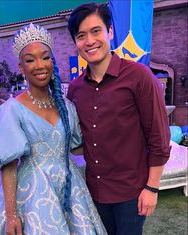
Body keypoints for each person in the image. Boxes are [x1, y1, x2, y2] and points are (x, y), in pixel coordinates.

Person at [0, 23, 107, 235]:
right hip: (34, 195)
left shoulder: (66, 106)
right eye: (30, 60)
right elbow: (9, 166)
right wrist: (11, 215)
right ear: (21, 67)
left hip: (71, 188)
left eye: (45, 57)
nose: (40, 65)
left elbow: (76, 147)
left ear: (52, 61)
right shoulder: (12, 111)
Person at [67, 3, 171, 235]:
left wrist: (152, 188)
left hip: (130, 192)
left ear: (110, 32)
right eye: (81, 35)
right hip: (93, 191)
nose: (90, 41)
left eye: (96, 31)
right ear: (76, 42)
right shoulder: (75, 89)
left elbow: (159, 137)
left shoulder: (138, 77)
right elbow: (77, 140)